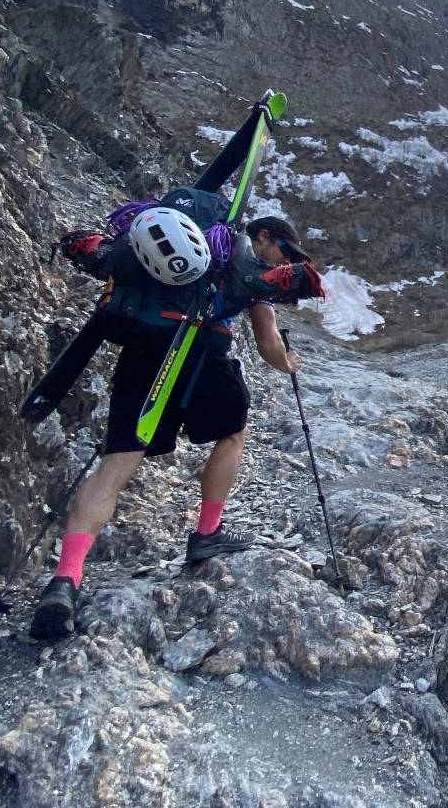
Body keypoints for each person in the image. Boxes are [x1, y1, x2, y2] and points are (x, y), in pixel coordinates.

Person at [30, 211, 322, 642]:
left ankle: (65, 579)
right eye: (283, 248)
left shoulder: (184, 249)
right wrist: (288, 362)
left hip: (145, 343)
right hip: (200, 347)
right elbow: (268, 346)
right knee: (233, 433)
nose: (283, 258)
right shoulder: (247, 266)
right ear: (264, 236)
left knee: (119, 460)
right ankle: (207, 533)